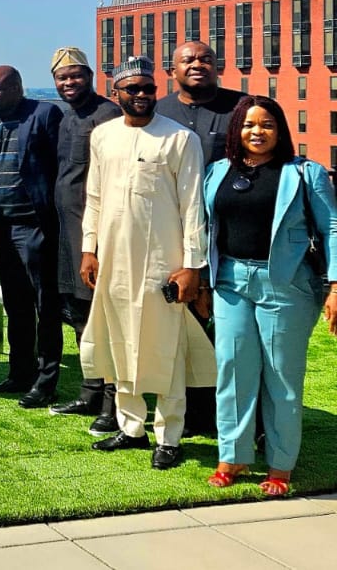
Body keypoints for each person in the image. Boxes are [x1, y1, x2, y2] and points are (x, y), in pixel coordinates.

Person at [80, 55, 216, 470]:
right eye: (132, 89)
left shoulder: (178, 139)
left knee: (165, 349)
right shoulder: (102, 136)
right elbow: (95, 197)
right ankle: (131, 427)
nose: (141, 95)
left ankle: (169, 435)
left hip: (165, 262)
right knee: (121, 342)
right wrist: (89, 248)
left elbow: (194, 206)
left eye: (148, 88)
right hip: (114, 260)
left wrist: (192, 266)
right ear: (116, 92)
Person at [203, 96, 337, 495]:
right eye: (248, 125)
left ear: (280, 131)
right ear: (236, 131)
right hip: (230, 282)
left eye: (266, 125)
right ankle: (233, 455)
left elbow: (332, 227)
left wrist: (336, 284)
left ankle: (280, 465)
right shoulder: (217, 172)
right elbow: (204, 227)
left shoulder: (304, 173)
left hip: (286, 285)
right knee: (233, 371)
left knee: (281, 377)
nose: (257, 132)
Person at [154, 40, 246, 436]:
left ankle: (239, 417)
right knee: (181, 328)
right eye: (187, 60)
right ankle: (191, 415)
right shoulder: (157, 111)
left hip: (231, 236)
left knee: (229, 332)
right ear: (170, 69)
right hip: (173, 237)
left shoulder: (242, 107)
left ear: (217, 65)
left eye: (205, 59)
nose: (197, 65)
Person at [44, 48, 123, 435]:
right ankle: (90, 391)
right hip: (64, 233)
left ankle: (112, 402)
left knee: (103, 318)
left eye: (76, 76)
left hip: (93, 235)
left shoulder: (108, 115)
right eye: (62, 78)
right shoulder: (63, 118)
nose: (69, 83)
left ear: (89, 76)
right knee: (79, 316)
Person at [0, 65, 64, 408]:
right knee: (16, 305)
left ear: (17, 87)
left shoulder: (44, 114)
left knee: (46, 305)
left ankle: (46, 381)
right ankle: (20, 373)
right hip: (0, 226)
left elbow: (58, 167)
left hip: (34, 226)